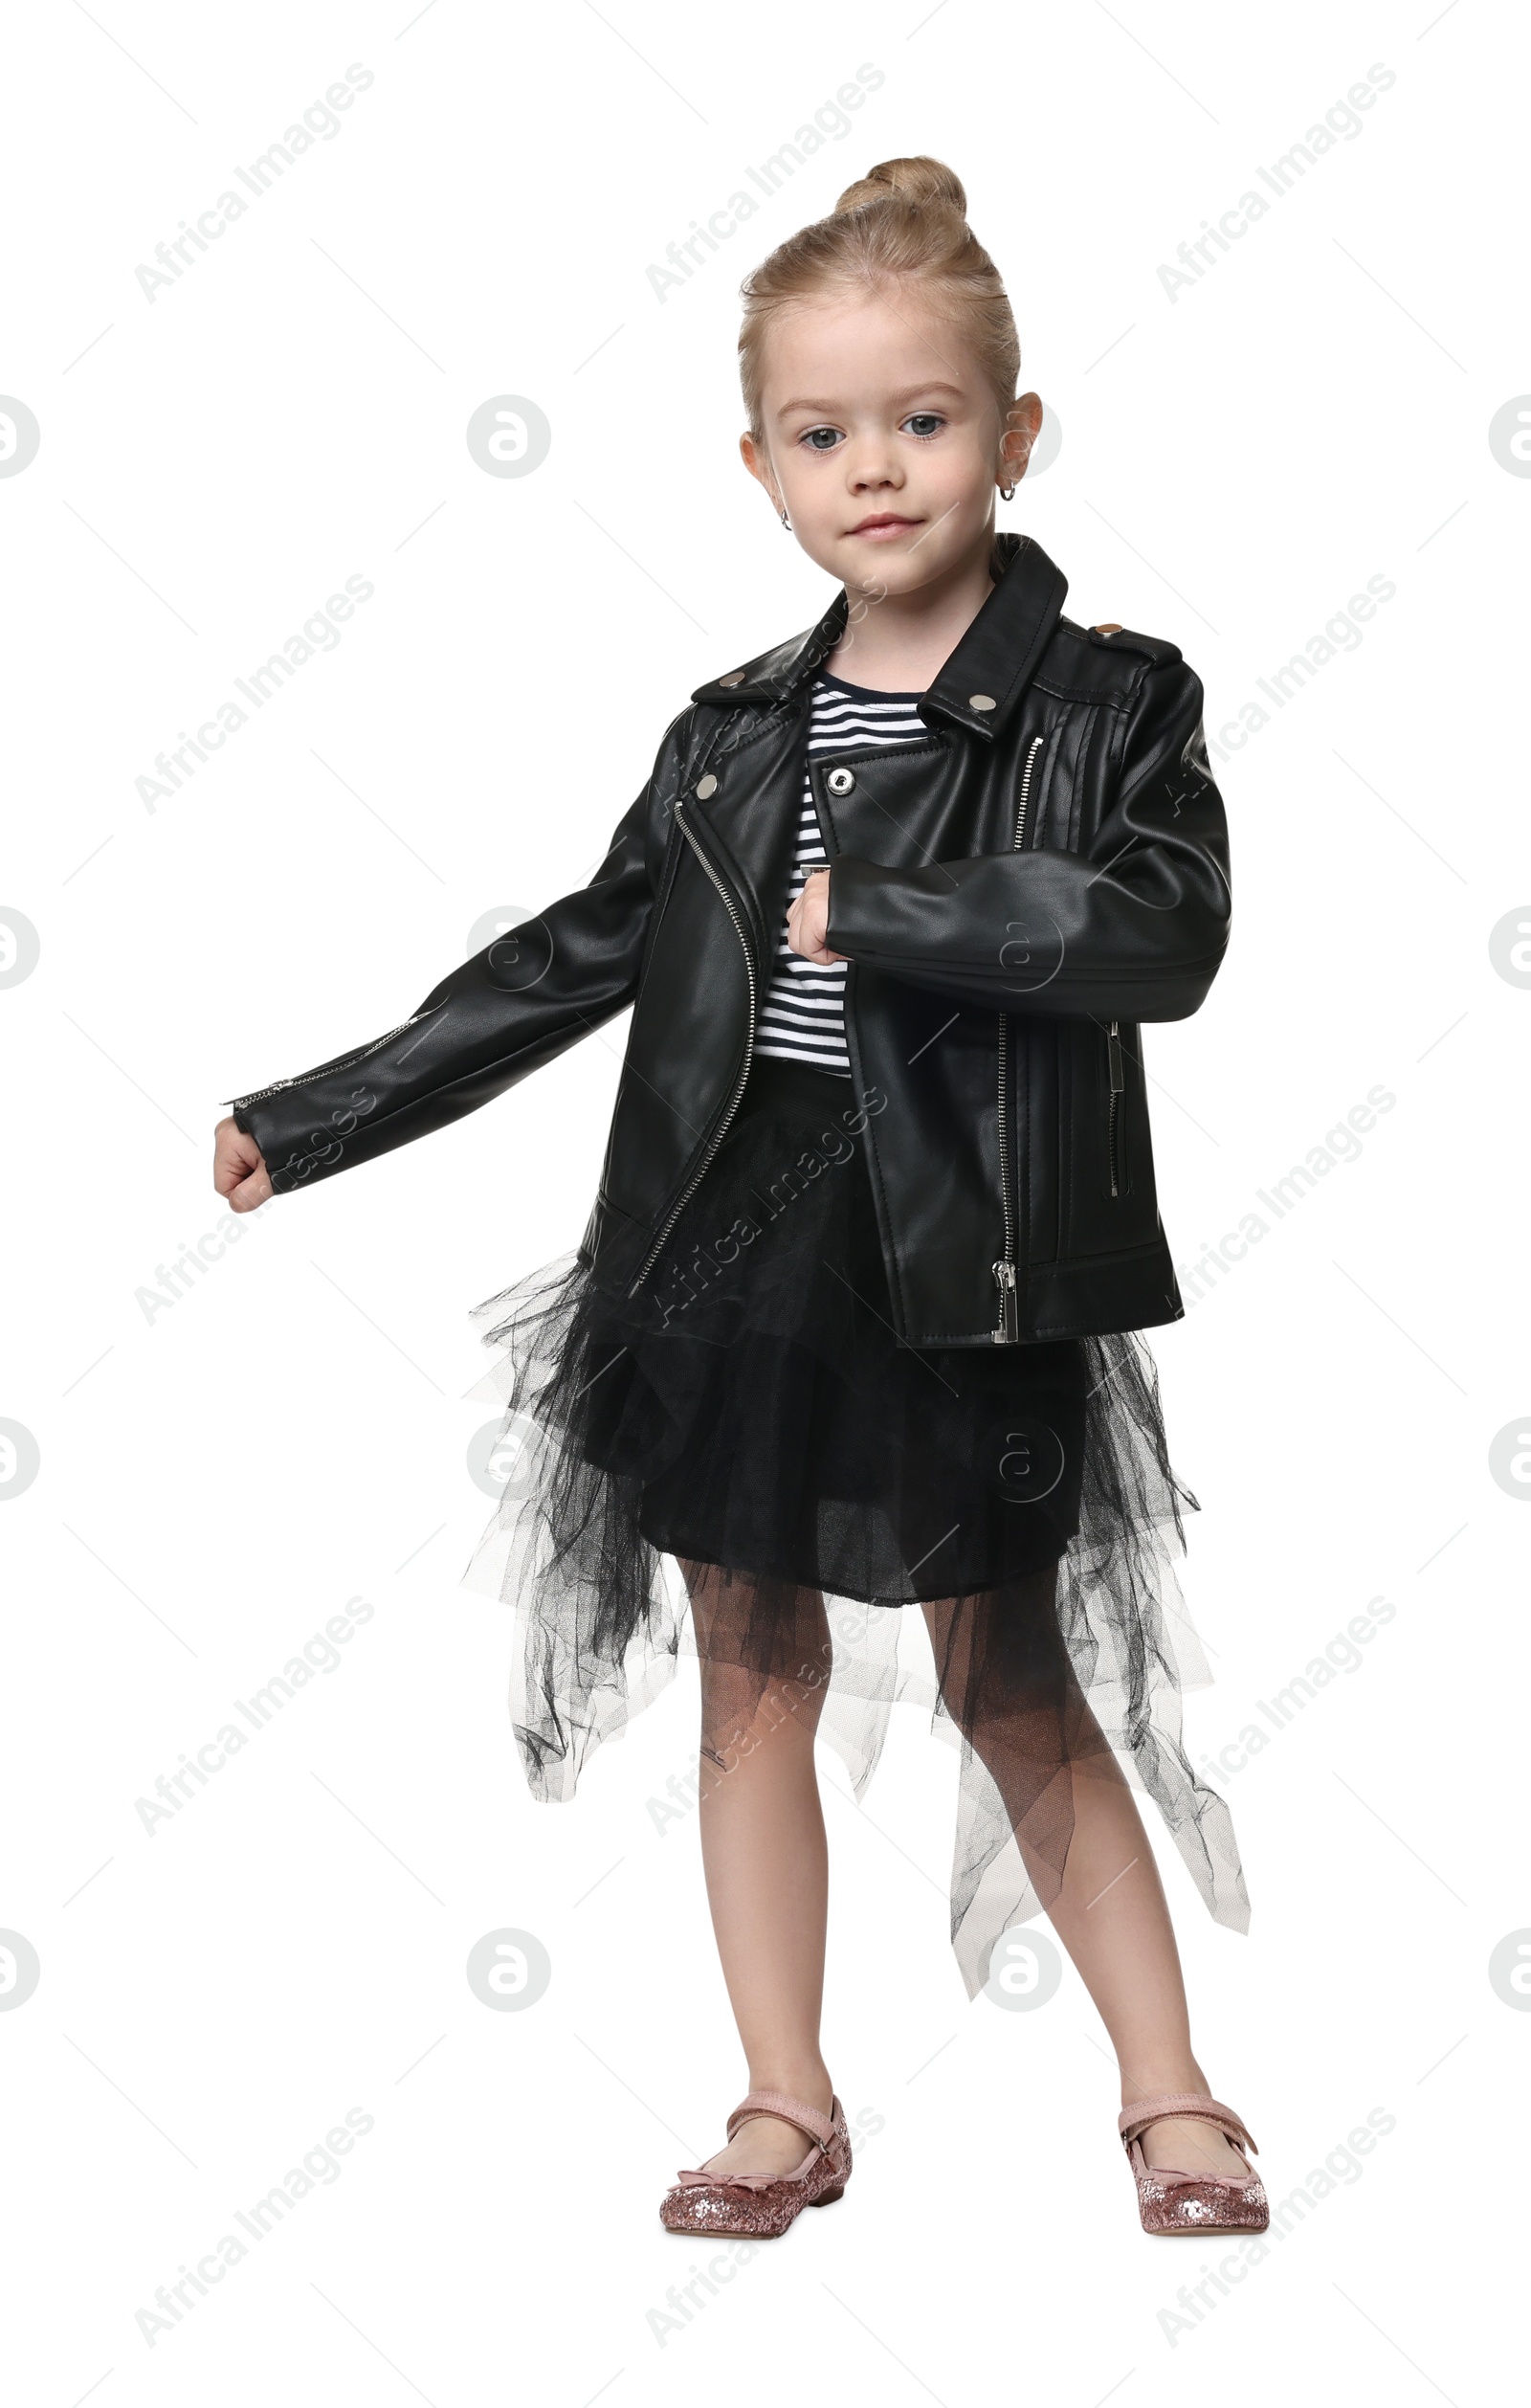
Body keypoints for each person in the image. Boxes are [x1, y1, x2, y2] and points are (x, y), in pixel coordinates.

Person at [213, 154, 1266, 2241]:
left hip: (958, 1264)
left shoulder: (1106, 699)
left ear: (1011, 431)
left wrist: (880, 900)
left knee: (1013, 1681)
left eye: (922, 419)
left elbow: (1164, 932)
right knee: (749, 1680)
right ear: (760, 462)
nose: (872, 468)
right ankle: (783, 2099)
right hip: (724, 1263)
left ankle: (1173, 2096)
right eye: (821, 433)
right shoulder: (727, 734)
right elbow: (571, 955)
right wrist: (322, 1110)